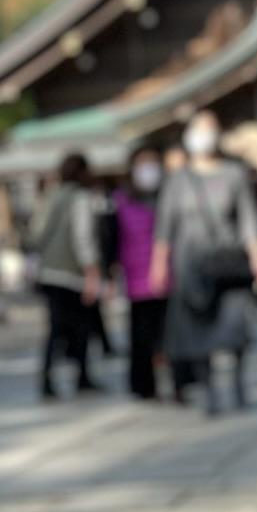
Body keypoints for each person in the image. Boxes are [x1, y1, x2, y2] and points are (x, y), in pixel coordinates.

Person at [151, 111, 257, 416]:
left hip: (229, 262)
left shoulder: (234, 175)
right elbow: (164, 228)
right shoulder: (177, 180)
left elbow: (249, 222)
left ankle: (238, 382)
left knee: (234, 325)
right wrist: (159, 264)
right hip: (190, 264)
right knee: (197, 330)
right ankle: (210, 390)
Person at [34, 152, 103, 401]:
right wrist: (92, 273)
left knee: (55, 329)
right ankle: (82, 377)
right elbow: (83, 238)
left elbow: (36, 233)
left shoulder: (50, 196)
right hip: (72, 274)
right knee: (81, 328)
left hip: (48, 271)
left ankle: (47, 380)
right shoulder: (80, 198)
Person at [105, 150, 172, 402]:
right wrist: (111, 274)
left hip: (172, 275)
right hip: (136, 277)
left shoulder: (168, 195)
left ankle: (179, 382)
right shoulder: (120, 201)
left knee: (171, 333)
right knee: (142, 335)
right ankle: (143, 385)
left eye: (152, 164)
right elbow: (111, 239)